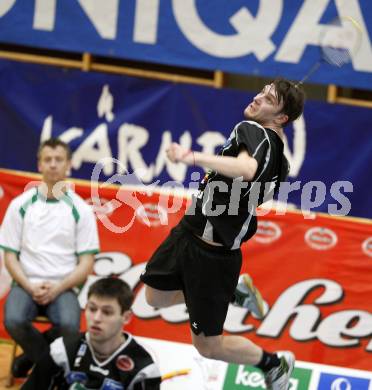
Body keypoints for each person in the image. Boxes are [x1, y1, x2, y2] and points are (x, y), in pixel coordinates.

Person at [140, 78, 305, 389]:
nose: (258, 98)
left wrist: (192, 157)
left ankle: (273, 363)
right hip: (189, 231)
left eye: (268, 99)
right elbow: (258, 195)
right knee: (154, 297)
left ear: (281, 118)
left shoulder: (252, 130)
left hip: (212, 256)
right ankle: (234, 292)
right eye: (262, 91)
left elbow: (246, 169)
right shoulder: (282, 160)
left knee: (208, 347)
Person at [0, 138, 99, 377]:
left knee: (69, 326)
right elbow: (10, 256)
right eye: (48, 160)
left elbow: (87, 263)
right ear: (39, 165)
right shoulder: (20, 205)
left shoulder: (81, 210)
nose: (53, 164)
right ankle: (53, 369)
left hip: (63, 285)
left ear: (68, 165)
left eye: (59, 160)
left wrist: (56, 289)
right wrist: (29, 285)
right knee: (13, 320)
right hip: (25, 282)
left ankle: (28, 362)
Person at [22, 277, 162, 389]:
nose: (96, 318)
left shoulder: (143, 370)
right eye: (92, 309)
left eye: (107, 312)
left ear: (126, 317)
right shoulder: (61, 351)